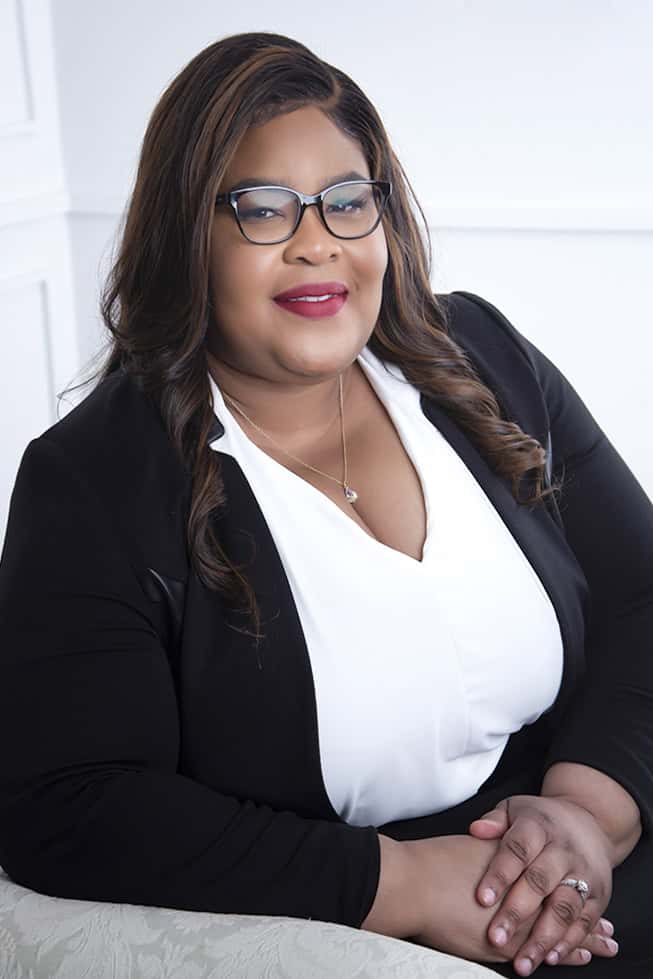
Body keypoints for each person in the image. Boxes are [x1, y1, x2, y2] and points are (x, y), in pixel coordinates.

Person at [0, 31, 650, 978]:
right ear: (187, 236)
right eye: (262, 208)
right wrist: (408, 884)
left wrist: (587, 814)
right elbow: (69, 799)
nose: (318, 242)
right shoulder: (94, 479)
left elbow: (643, 596)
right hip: (351, 916)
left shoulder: (481, 356)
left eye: (348, 202)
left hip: (579, 860)